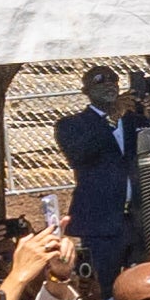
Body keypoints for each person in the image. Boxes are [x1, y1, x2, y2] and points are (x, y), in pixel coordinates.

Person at [53, 69, 138, 286]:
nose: (109, 85)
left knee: (142, 282)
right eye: (100, 82)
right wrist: (110, 121)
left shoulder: (133, 120)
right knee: (103, 285)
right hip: (100, 222)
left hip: (139, 219)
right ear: (86, 91)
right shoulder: (71, 125)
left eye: (114, 80)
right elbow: (80, 154)